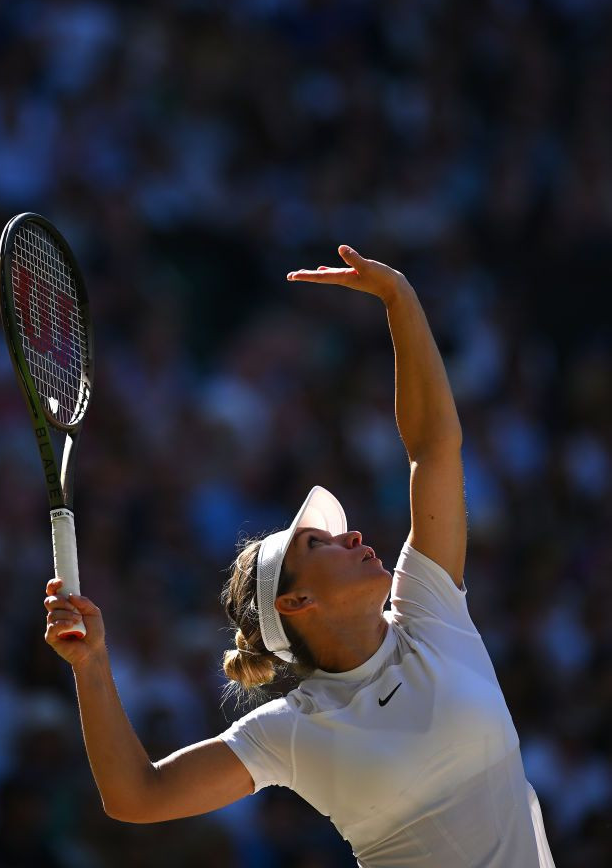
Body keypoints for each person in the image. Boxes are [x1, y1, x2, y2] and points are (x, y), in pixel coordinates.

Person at [44, 245, 556, 867]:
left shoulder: (429, 610)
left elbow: (433, 447)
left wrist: (400, 302)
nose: (353, 539)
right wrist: (91, 664)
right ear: (296, 602)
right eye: (322, 544)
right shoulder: (291, 730)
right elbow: (137, 796)